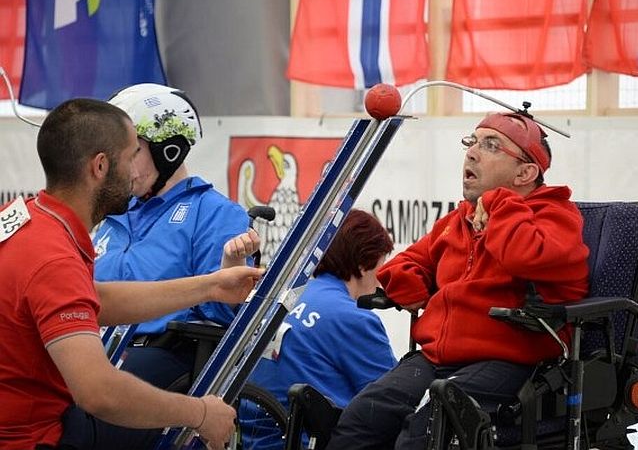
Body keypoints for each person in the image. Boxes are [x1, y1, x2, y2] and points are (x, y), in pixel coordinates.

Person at [0, 98, 263, 450]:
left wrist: (211, 285)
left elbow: (95, 298)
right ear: (100, 167)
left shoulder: (27, 220)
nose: (133, 173)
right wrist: (199, 413)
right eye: (129, 156)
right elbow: (99, 392)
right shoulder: (55, 257)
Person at [325, 112, 590, 450]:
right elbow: (405, 263)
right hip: (438, 357)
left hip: (512, 361)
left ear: (525, 173)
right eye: (472, 141)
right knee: (363, 416)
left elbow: (523, 255)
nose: (472, 152)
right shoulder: (458, 219)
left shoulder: (556, 216)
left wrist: (499, 204)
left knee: (425, 431)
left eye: (491, 145)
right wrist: (414, 286)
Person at [92, 83, 257, 391]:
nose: (120, 164)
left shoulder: (214, 211)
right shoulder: (113, 212)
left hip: (161, 354)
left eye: (132, 151)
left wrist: (228, 264)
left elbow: (222, 315)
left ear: (167, 148)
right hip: (95, 346)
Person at [244, 209, 398, 449]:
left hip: (248, 438)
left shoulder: (279, 298)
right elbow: (394, 403)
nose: (381, 280)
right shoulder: (355, 319)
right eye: (381, 266)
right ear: (362, 262)